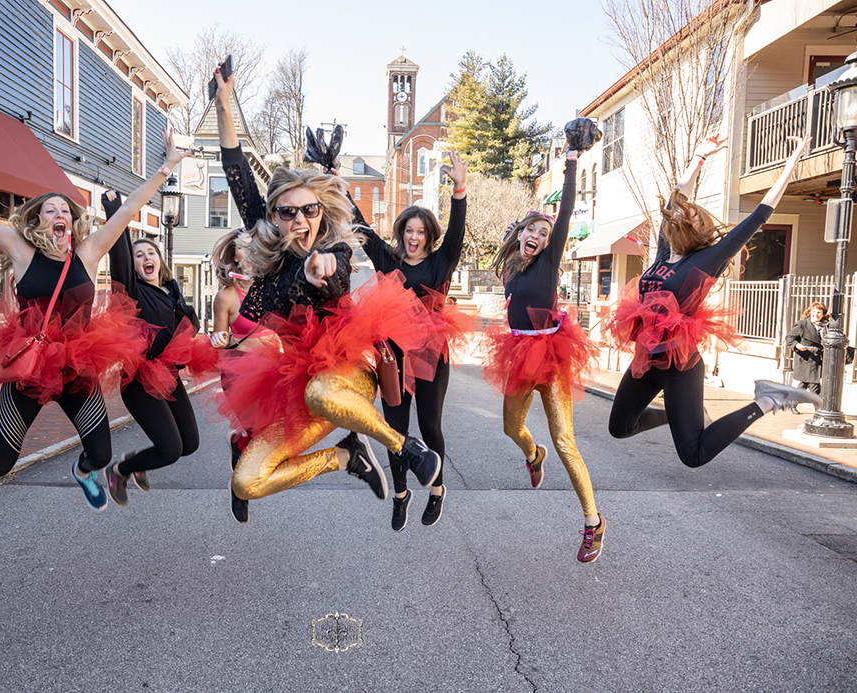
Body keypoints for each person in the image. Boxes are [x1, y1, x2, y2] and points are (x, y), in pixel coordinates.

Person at [0, 121, 192, 510]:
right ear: (37, 220)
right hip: (31, 366)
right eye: (51, 210)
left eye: (65, 209)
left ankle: (83, 472)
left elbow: (130, 207)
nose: (60, 213)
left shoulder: (89, 252)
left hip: (78, 366)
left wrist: (167, 167)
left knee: (99, 454)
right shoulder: (21, 250)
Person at [212, 69, 443, 513]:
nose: (300, 220)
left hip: (349, 371)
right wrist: (224, 105)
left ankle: (405, 448)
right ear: (272, 217)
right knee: (247, 482)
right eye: (288, 212)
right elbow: (236, 168)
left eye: (310, 209)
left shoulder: (331, 246)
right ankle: (346, 457)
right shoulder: (268, 250)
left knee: (322, 392)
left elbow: (334, 272)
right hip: (299, 386)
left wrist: (321, 266)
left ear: (321, 211)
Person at [606, 134, 823, 468]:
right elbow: (677, 197)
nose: (676, 216)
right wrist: (699, 157)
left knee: (694, 454)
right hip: (646, 360)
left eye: (684, 216)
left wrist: (791, 164)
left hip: (680, 366)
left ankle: (767, 400)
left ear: (694, 227)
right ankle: (675, 416)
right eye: (676, 214)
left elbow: (759, 217)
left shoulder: (707, 260)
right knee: (619, 428)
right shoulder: (664, 255)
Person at [481, 125, 604, 563]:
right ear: (519, 235)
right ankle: (534, 455)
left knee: (567, 441)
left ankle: (593, 521)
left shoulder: (549, 262)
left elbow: (565, 211)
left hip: (550, 357)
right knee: (510, 429)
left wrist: (571, 162)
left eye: (543, 233)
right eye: (530, 230)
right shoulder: (512, 266)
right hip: (517, 354)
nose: (536, 236)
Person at [350, 152, 471, 530]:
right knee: (395, 430)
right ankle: (400, 493)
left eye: (420, 231)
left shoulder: (441, 262)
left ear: (428, 235)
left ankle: (436, 489)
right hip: (393, 356)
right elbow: (361, 226)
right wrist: (334, 178)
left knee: (430, 426)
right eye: (409, 231)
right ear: (401, 232)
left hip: (432, 353)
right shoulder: (388, 260)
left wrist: (459, 188)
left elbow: (457, 231)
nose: (414, 237)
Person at [100, 190, 215, 508]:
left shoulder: (171, 293)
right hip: (139, 382)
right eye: (139, 255)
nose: (145, 258)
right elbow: (118, 254)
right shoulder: (131, 292)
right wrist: (116, 210)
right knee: (171, 449)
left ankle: (138, 466)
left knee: (189, 444)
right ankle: (120, 470)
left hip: (168, 378)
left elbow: (191, 334)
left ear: (160, 260)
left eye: (150, 252)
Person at [209, 229, 272, 523]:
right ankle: (240, 488)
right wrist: (228, 340)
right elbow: (221, 342)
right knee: (259, 435)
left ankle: (238, 445)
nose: (249, 254)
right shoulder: (226, 297)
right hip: (238, 374)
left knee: (273, 438)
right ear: (235, 255)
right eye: (243, 248)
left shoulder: (271, 290)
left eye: (254, 247)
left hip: (271, 373)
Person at [785, 301, 829, 413]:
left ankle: (792, 403)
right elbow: (790, 338)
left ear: (823, 314)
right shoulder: (803, 324)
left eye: (819, 312)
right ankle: (819, 410)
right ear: (809, 313)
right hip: (806, 358)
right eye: (814, 312)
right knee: (814, 385)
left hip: (818, 359)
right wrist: (797, 345)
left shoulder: (826, 326)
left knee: (804, 385)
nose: (816, 315)